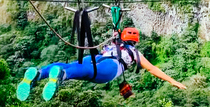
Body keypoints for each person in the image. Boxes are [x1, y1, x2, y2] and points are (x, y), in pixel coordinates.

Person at [16, 27, 186, 101]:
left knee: (70, 64)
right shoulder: (134, 53)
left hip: (98, 57)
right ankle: (61, 75)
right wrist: (172, 81)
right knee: (86, 72)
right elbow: (153, 68)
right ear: (135, 41)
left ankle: (40, 74)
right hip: (111, 68)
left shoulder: (114, 43)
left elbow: (116, 29)